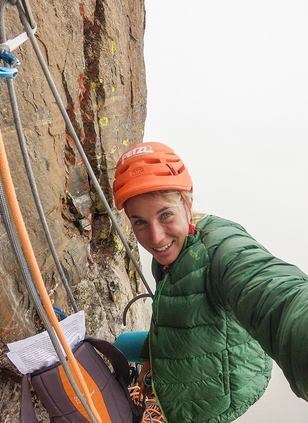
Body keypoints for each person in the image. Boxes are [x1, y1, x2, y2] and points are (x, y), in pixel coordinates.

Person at [112, 142, 308, 423]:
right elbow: (167, 312)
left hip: (215, 398)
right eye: (140, 222)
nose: (154, 238)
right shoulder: (172, 249)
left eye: (165, 215)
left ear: (187, 203)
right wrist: (149, 361)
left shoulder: (221, 249)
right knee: (118, 345)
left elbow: (276, 295)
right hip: (195, 356)